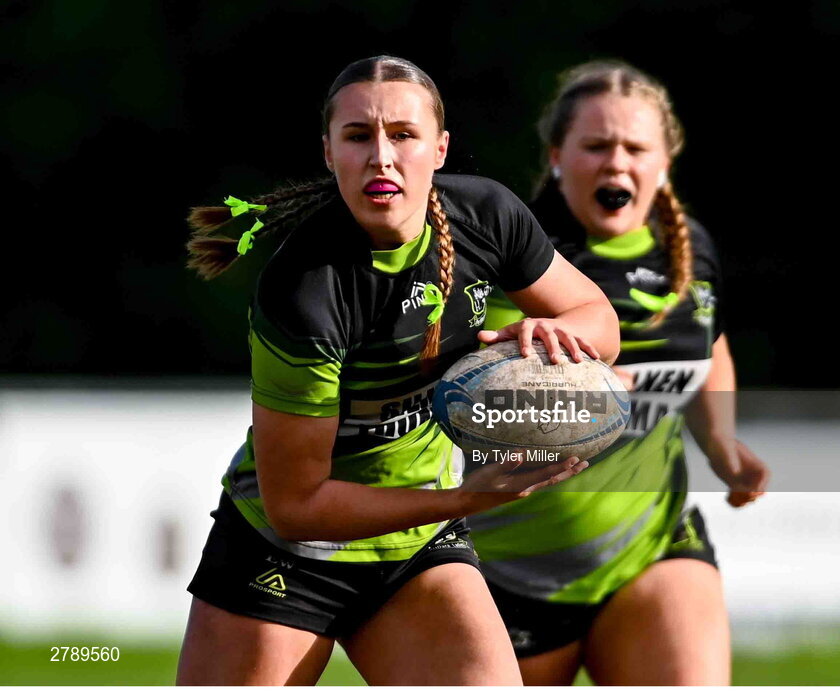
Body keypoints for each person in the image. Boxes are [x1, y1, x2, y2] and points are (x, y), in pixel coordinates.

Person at [176, 55, 619, 686]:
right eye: (358, 136)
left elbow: (599, 320)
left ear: (439, 149)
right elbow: (296, 506)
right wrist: (470, 497)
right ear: (328, 153)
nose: (381, 156)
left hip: (417, 541)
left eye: (403, 135)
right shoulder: (305, 290)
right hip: (283, 552)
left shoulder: (487, 217)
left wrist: (553, 332)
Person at [470, 60, 770, 685]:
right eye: (596, 145)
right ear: (557, 156)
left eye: (635, 147)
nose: (616, 162)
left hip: (649, 549)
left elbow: (708, 346)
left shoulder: (691, 247)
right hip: (502, 570)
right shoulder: (509, 254)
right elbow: (457, 397)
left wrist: (722, 448)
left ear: (664, 165)